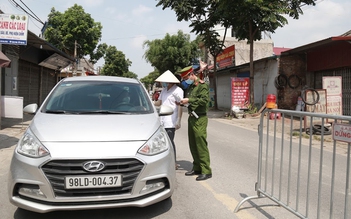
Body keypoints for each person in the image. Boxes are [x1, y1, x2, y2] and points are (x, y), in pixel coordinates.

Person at [178, 66, 212, 181]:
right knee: (193, 144)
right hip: (192, 117)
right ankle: (197, 167)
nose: (185, 80)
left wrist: (189, 100)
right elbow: (192, 102)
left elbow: (203, 101)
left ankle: (206, 170)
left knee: (201, 145)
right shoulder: (191, 87)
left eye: (186, 77)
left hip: (200, 118)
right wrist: (184, 103)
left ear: (192, 74)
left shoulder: (202, 85)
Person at [154, 70, 184, 169]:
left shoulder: (178, 90)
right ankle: (164, 161)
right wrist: (148, 103)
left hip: (171, 120)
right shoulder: (164, 90)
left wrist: (179, 120)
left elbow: (180, 105)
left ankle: (173, 162)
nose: (163, 83)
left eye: (165, 81)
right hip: (162, 119)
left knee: (170, 142)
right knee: (163, 142)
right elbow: (159, 102)